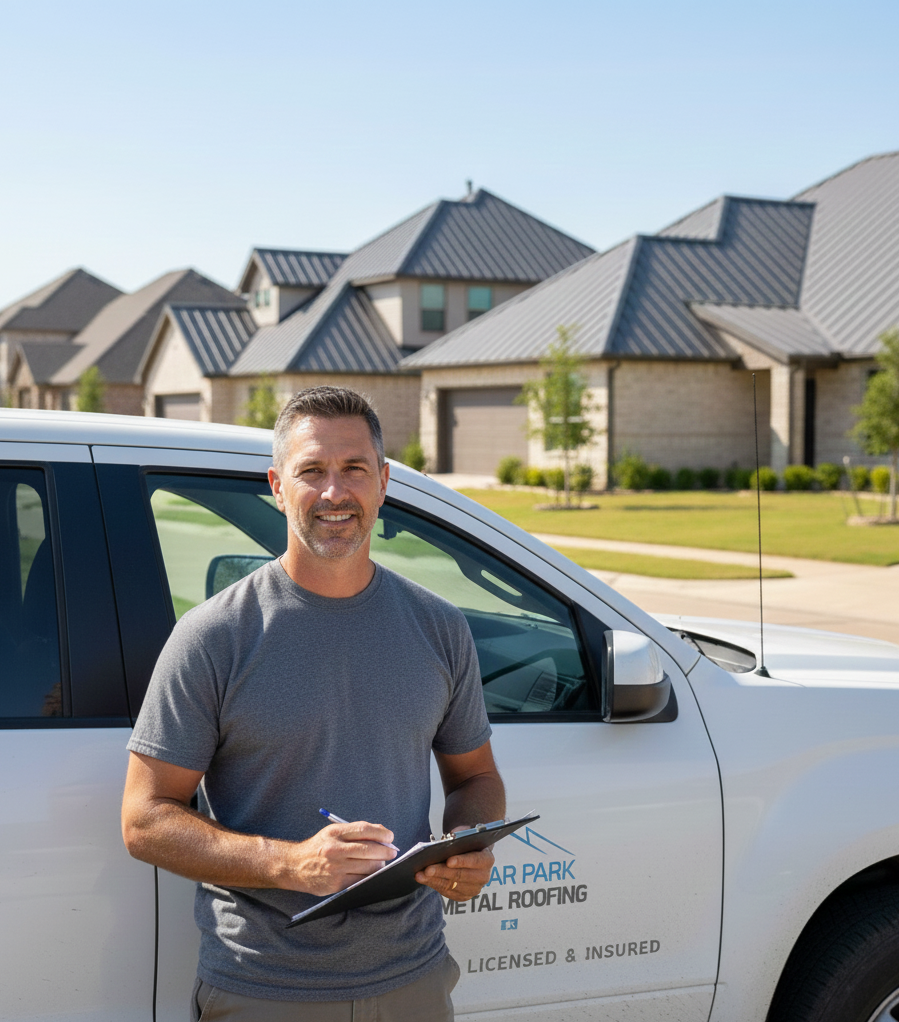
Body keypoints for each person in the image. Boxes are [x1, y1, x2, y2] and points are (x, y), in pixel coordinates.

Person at [121, 385, 505, 1021]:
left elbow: (476, 779)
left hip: (414, 977)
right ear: (277, 486)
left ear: (383, 482)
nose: (334, 492)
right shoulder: (214, 636)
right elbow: (144, 820)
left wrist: (468, 844)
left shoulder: (439, 627)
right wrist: (291, 863)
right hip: (264, 987)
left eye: (354, 468)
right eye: (311, 471)